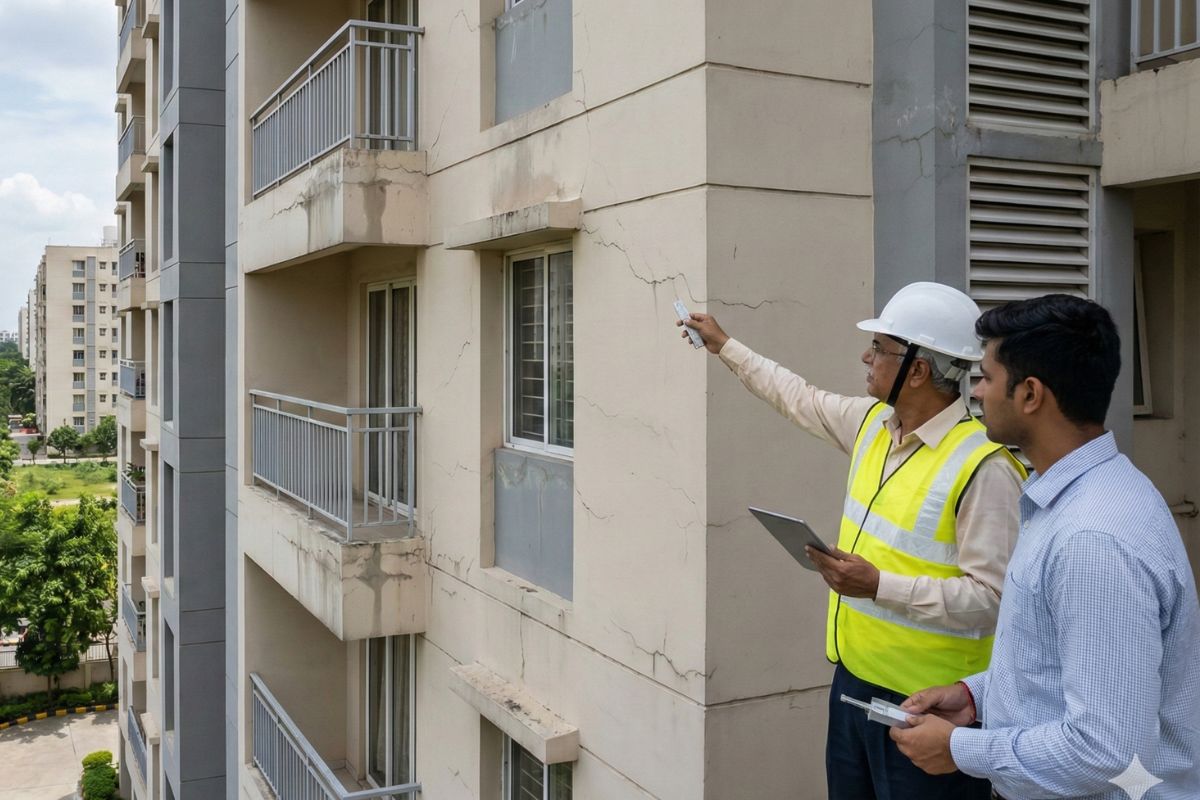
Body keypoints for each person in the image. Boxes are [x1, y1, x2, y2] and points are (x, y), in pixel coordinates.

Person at [679, 283, 1025, 800]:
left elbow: (995, 602)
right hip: (853, 686)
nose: (866, 356)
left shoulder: (985, 467)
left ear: (918, 369)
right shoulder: (872, 426)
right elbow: (795, 395)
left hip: (931, 707)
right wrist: (724, 346)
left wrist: (879, 586)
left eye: (881, 348)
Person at [891, 294, 1200, 799]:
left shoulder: (1093, 540)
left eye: (987, 377)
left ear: (1030, 393)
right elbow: (1059, 665)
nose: (976, 393)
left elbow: (1106, 750)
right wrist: (977, 697)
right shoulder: (1078, 495)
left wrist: (962, 749)